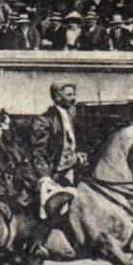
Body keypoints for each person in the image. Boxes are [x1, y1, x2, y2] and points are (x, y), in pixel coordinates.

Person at [30, 81, 82, 219]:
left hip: (72, 172)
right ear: (58, 97)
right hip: (53, 175)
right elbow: (38, 152)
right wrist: (44, 176)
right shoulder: (44, 120)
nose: (74, 98)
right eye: (69, 95)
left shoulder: (72, 117)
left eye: (74, 94)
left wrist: (78, 155)